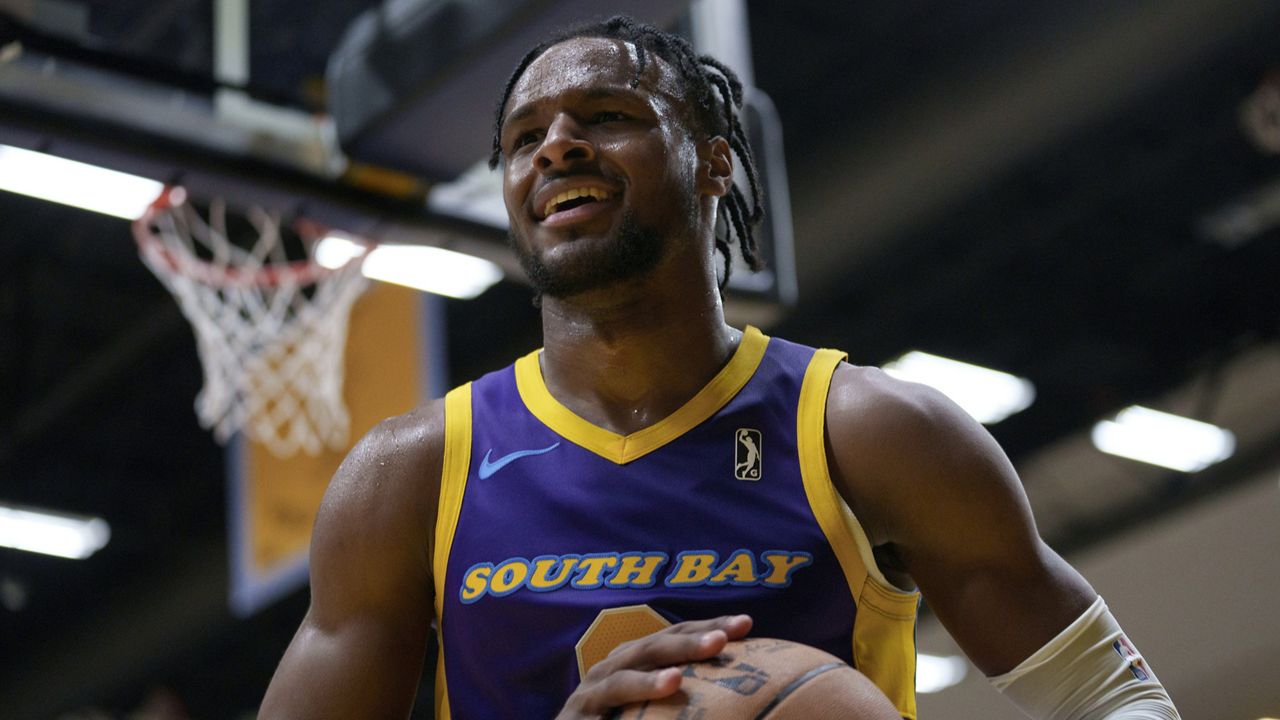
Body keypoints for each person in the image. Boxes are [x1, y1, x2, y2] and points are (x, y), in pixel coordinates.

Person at [260, 16, 1180, 720]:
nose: (557, 145)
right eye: (523, 137)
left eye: (609, 116)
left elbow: (1119, 701)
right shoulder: (410, 475)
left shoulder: (870, 432)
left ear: (712, 164)